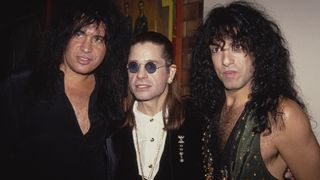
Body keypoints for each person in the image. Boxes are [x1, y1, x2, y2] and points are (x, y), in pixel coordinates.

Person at [190, 1, 320, 179]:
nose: (226, 60)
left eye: (238, 47)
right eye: (216, 49)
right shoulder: (210, 107)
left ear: (258, 51)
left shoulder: (282, 115)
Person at [0, 1, 129, 180]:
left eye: (98, 39)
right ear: (63, 36)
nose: (86, 48)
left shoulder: (112, 94)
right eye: (79, 33)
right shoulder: (20, 88)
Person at [110, 31, 203, 180]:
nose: (140, 75)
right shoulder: (113, 129)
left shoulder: (196, 123)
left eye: (151, 66)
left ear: (170, 73)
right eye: (133, 66)